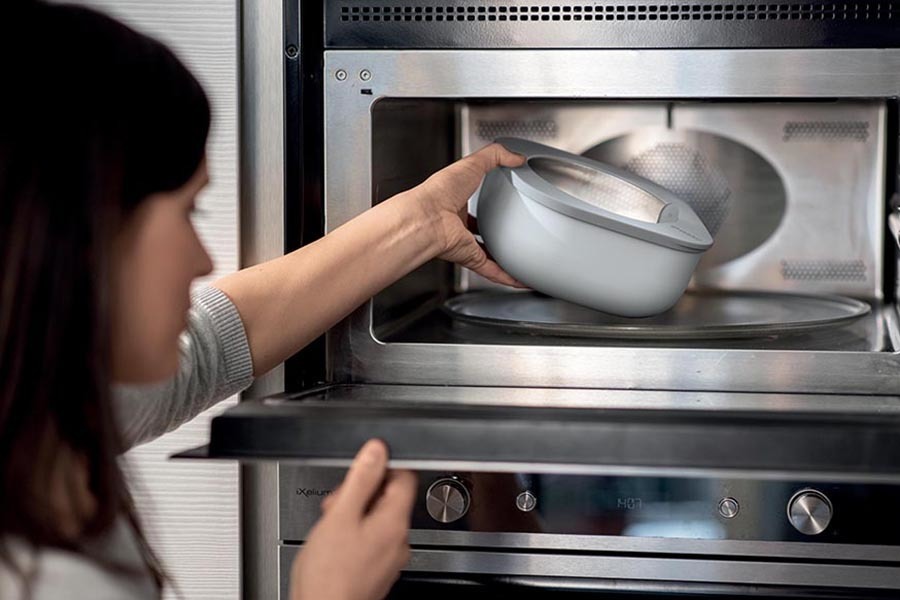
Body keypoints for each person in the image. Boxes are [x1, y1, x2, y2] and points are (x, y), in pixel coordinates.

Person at [0, 2, 524, 599]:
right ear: (78, 237)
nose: (203, 260)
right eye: (188, 211)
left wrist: (423, 222)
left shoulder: (44, 406)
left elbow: (209, 347)